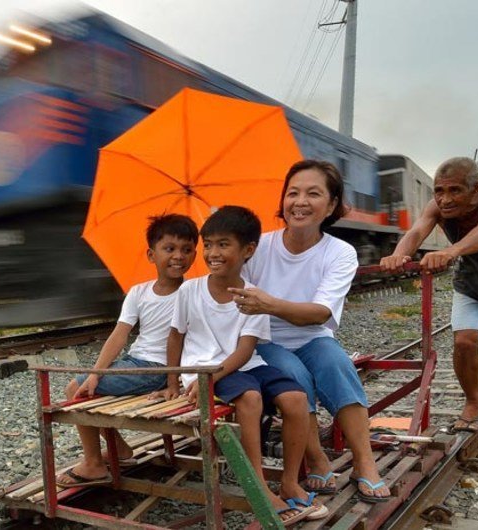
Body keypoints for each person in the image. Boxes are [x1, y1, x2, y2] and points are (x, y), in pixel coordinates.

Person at [232, 159, 391, 503]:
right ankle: (315, 456)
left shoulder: (339, 252)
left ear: (331, 205)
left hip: (313, 336)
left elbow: (320, 314)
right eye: (293, 193)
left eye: (313, 194)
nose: (299, 202)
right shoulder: (257, 247)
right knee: (293, 375)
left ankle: (365, 463)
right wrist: (223, 243)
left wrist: (270, 302)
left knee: (337, 366)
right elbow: (229, 289)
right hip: (265, 341)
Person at [168, 206, 323, 525]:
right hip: (202, 369)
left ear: (248, 250)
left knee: (297, 399)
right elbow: (175, 337)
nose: (212, 252)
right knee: (250, 399)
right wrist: (173, 382)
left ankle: (290, 480)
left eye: (223, 244)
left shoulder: (254, 297)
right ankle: (258, 485)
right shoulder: (189, 290)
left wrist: (216, 377)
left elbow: (245, 349)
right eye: (208, 244)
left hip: (243, 365)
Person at [380, 157, 478, 434]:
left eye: (455, 190)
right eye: (439, 190)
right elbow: (417, 230)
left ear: (476, 188)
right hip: (471, 285)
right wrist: (397, 254)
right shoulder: (438, 207)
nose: (445, 199)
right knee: (465, 340)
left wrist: (450, 252)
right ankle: (473, 400)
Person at [54, 214, 198, 489]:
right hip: (134, 361)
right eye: (169, 249)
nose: (178, 256)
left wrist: (174, 381)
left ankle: (95, 464)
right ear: (151, 254)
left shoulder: (192, 292)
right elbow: (119, 334)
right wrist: (96, 373)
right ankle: (118, 449)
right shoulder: (139, 292)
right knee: (86, 386)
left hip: (157, 368)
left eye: (187, 250)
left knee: (75, 389)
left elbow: (183, 340)